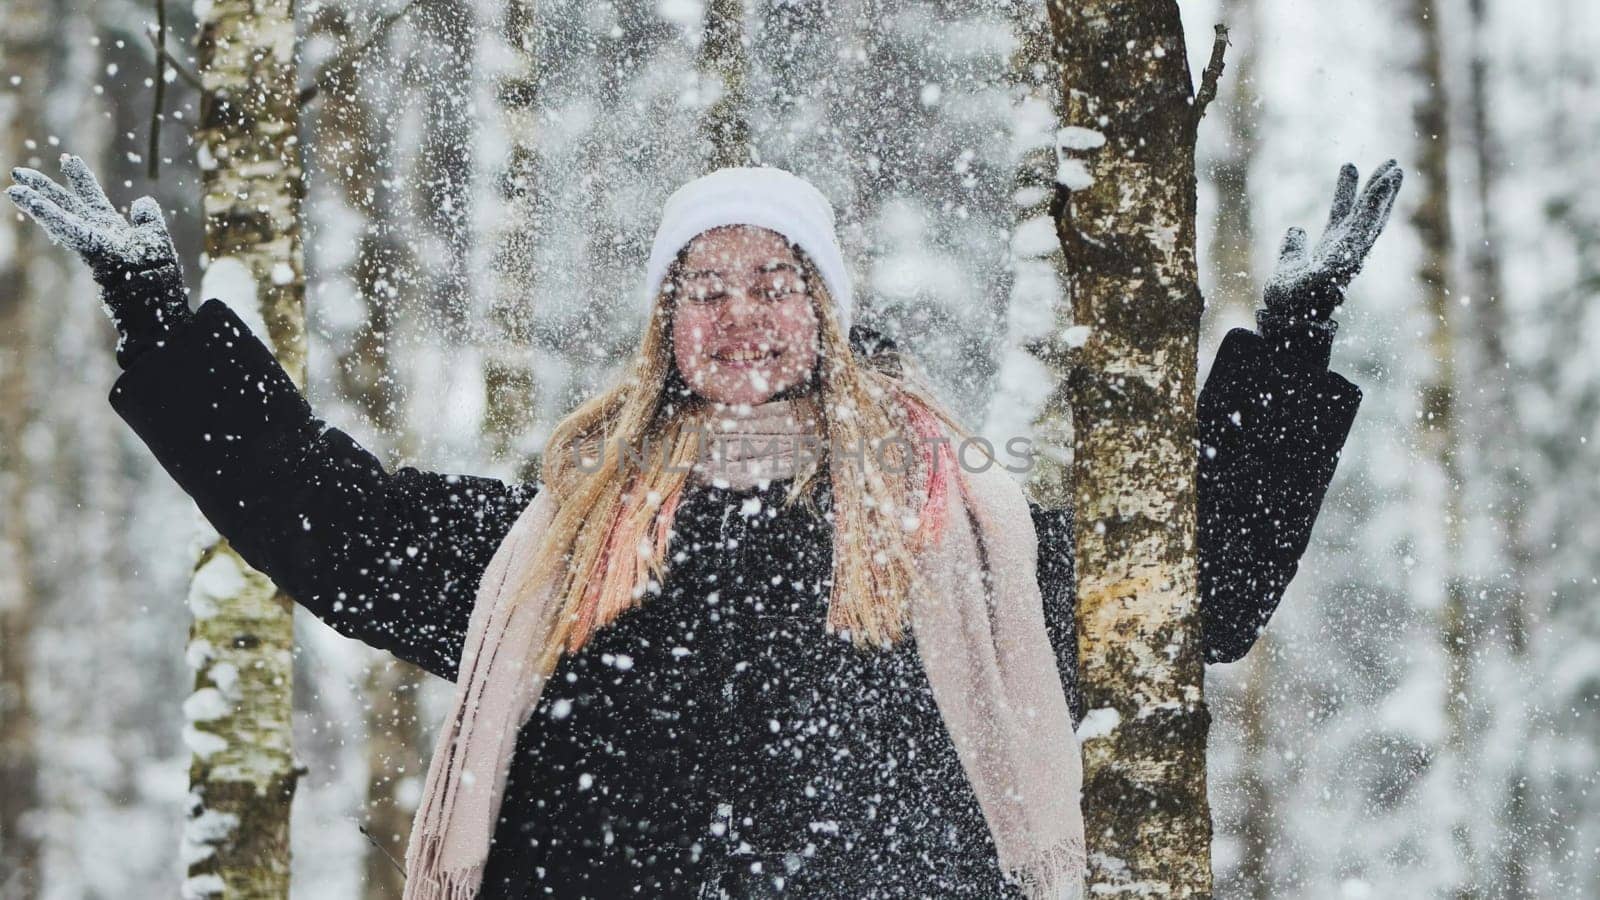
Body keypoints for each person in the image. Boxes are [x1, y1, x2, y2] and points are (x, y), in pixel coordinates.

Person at [6, 156, 1400, 899]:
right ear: (665, 326)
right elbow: (333, 525)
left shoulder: (951, 537)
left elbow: (1185, 599)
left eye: (778, 282)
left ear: (828, 316)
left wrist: (1286, 348)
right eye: (708, 285)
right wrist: (166, 329)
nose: (744, 314)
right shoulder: (557, 544)